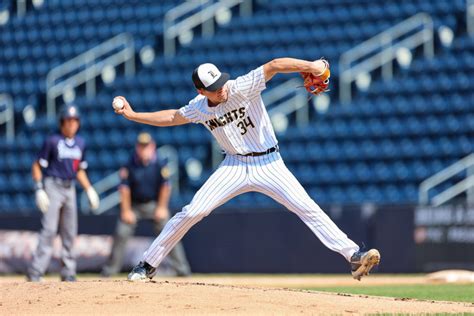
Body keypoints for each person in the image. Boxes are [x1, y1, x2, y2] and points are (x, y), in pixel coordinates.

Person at [113, 58, 381, 281]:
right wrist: (134, 115)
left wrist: (311, 65)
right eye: (213, 87)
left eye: (220, 82)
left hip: (269, 163)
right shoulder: (199, 108)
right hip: (234, 165)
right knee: (193, 211)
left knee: (306, 206)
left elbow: (274, 65)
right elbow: (172, 116)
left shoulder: (240, 86)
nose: (221, 88)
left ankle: (353, 255)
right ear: (201, 92)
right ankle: (147, 264)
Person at [101, 132, 191, 277]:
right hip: (134, 206)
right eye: (141, 146)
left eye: (146, 146)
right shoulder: (130, 163)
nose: (144, 150)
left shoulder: (159, 163)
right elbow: (124, 188)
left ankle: (182, 271)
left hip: (154, 205)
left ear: (152, 147)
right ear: (137, 147)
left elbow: (166, 187)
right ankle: (109, 272)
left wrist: (161, 207)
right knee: (121, 232)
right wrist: (125, 210)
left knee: (172, 230)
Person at [27, 104, 100, 282]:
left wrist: (89, 189)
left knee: (69, 231)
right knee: (49, 229)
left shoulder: (80, 143)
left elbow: (79, 170)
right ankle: (36, 272)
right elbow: (37, 165)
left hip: (70, 187)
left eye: (75, 120)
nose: (72, 124)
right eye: (69, 120)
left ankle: (68, 271)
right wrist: (39, 188)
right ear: (62, 122)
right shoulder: (53, 141)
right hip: (53, 184)